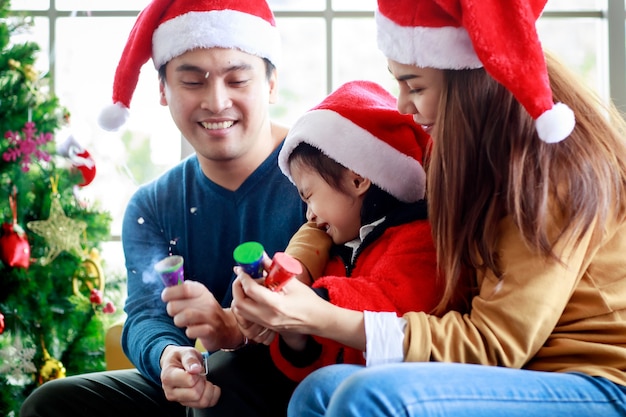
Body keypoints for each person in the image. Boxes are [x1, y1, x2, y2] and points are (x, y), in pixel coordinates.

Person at [230, 0, 626, 416]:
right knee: (319, 390)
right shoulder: (454, 154)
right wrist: (295, 274)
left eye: (415, 86)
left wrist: (321, 316)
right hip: (527, 372)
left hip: (595, 380)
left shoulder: (549, 172)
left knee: (363, 397)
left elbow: (494, 344)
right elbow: (344, 195)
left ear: (472, 83)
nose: (402, 106)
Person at [20, 1, 329, 417]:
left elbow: (340, 307)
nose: (217, 102)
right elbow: (147, 312)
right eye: (192, 81)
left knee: (225, 375)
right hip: (196, 382)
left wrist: (234, 330)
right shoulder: (153, 205)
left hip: (301, 382)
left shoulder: (321, 176)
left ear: (271, 84)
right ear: (163, 91)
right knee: (53, 403)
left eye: (237, 79)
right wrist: (169, 357)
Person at [235, 80, 460, 382]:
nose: (309, 214)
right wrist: (295, 332)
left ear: (357, 180)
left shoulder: (418, 237)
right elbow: (320, 361)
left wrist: (318, 300)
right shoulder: (338, 250)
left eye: (309, 195)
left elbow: (391, 305)